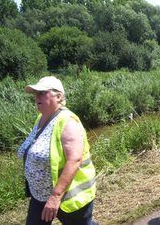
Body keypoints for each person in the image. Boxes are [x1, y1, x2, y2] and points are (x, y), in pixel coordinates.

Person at [18, 76, 99, 225]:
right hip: (40, 196)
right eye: (36, 93)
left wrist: (55, 197)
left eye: (42, 92)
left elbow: (74, 159)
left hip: (67, 196)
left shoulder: (67, 121)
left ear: (58, 96)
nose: (37, 96)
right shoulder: (41, 119)